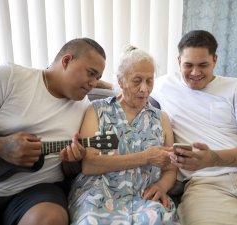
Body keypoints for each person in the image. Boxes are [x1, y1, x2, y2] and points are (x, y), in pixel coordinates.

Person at [151, 30, 237, 225]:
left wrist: (212, 159)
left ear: (215, 59)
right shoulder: (161, 86)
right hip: (205, 185)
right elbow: (128, 85)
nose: (195, 73)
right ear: (179, 61)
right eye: (188, 65)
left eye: (203, 65)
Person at [0, 38, 106, 225]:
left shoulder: (85, 107)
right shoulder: (8, 78)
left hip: (38, 192)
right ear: (66, 61)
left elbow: (71, 172)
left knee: (50, 219)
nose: (94, 83)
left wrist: (72, 162)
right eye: (91, 73)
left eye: (97, 78)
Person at [66, 46, 179, 225]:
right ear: (121, 81)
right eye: (137, 81)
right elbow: (89, 165)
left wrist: (161, 186)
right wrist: (145, 158)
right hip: (99, 194)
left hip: (144, 196)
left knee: (158, 218)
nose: (144, 88)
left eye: (149, 81)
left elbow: (171, 168)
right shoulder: (97, 110)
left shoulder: (161, 118)